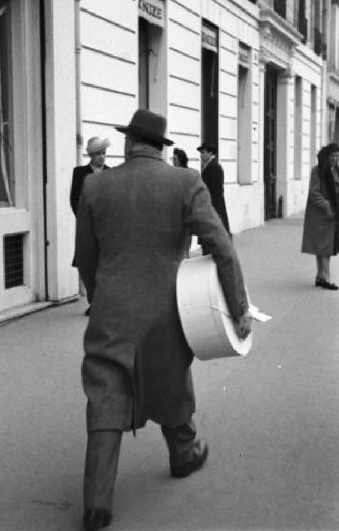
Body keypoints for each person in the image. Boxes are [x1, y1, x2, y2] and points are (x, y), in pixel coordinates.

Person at [75, 109, 251, 531]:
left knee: (106, 391)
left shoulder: (96, 185)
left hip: (112, 310)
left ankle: (97, 501)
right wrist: (239, 307)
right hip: (169, 308)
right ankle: (184, 455)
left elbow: (86, 258)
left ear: (130, 143)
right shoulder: (186, 182)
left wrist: (101, 300)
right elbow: (221, 248)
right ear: (160, 147)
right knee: (170, 378)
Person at [70, 136, 110, 315]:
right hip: (87, 226)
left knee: (105, 264)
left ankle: (104, 302)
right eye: (98, 154)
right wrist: (84, 219)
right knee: (87, 263)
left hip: (107, 227)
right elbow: (74, 198)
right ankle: (93, 301)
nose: (102, 157)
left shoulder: (110, 173)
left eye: (104, 153)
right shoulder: (80, 172)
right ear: (91, 155)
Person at [301, 143, 339, 289]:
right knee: (325, 248)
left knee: (324, 247)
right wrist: (327, 206)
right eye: (333, 156)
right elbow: (314, 193)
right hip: (321, 214)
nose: (335, 159)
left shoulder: (335, 170)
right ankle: (326, 278)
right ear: (326, 156)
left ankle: (320, 276)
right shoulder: (318, 171)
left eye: (337, 156)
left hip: (331, 214)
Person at [197, 142, 231, 235]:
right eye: (201, 153)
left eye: (203, 152)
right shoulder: (208, 166)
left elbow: (217, 192)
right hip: (210, 206)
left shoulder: (214, 167)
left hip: (213, 207)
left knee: (214, 235)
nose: (201, 155)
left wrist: (213, 211)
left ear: (210, 153)